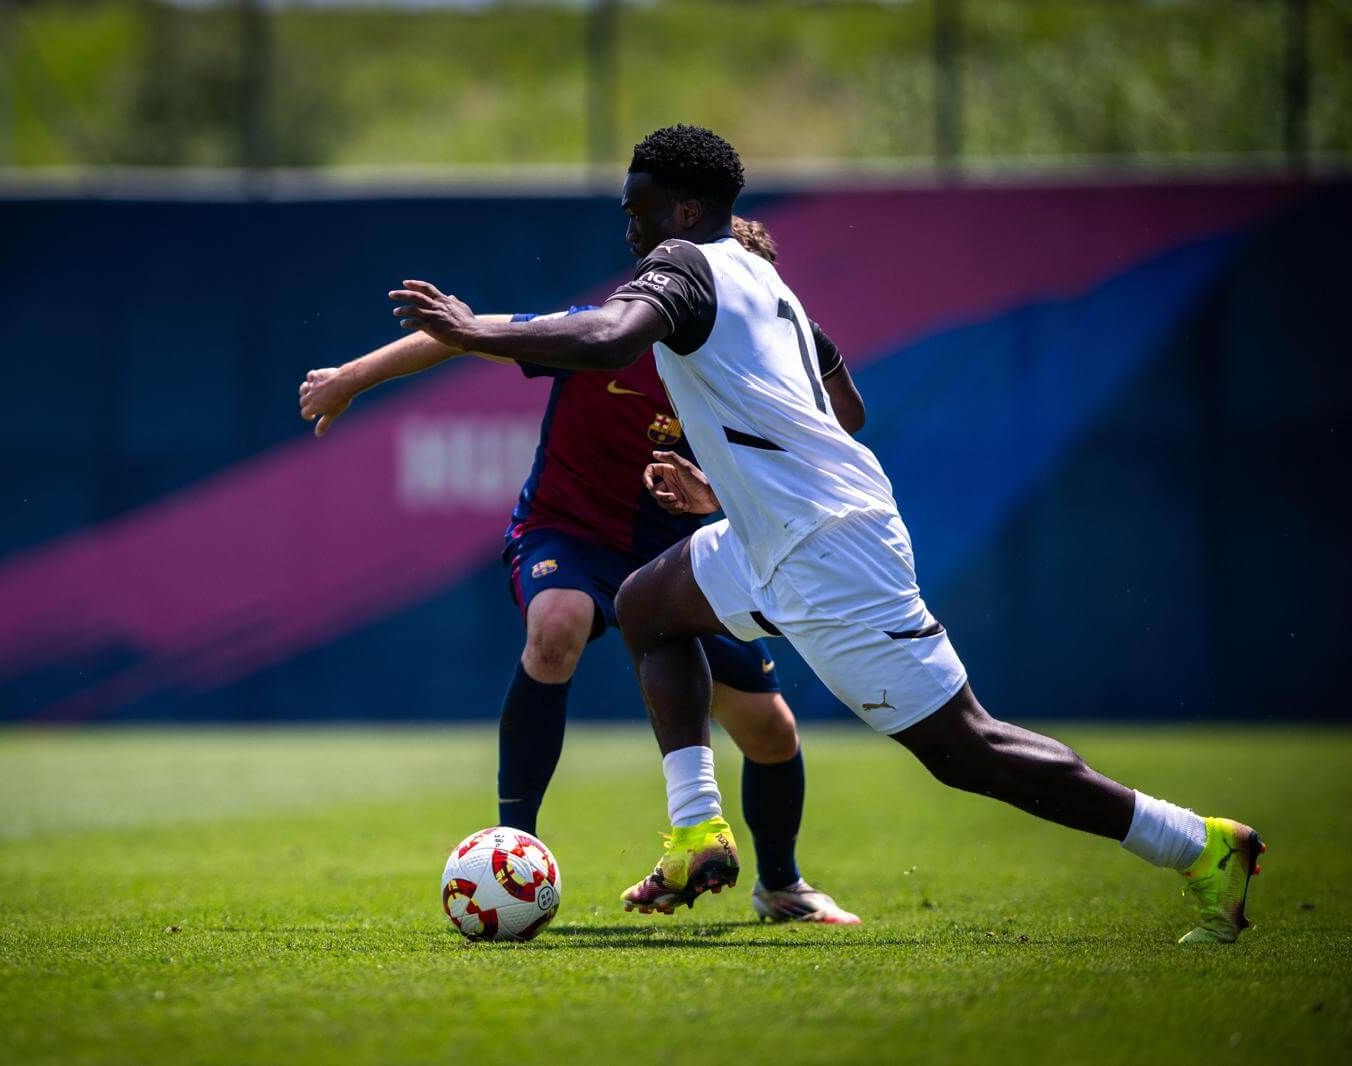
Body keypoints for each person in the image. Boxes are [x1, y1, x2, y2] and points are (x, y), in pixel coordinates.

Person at [385, 124, 1264, 944]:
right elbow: (847, 406)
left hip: (827, 546)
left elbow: (614, 339)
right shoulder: (762, 279)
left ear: (686, 209)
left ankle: (1193, 842)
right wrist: (735, 476)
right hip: (773, 531)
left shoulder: (685, 265)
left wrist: (470, 330)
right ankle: (695, 830)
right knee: (649, 605)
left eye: (640, 205)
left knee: (967, 749)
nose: (629, 224)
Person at [299, 217, 864, 924]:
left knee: (770, 731)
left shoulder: (749, 378)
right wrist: (348, 380)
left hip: (674, 557)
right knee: (557, 624)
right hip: (571, 534)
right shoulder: (608, 333)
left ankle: (782, 887)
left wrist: (714, 492)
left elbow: (836, 430)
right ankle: (513, 850)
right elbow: (463, 333)